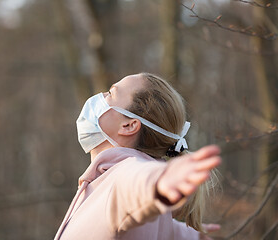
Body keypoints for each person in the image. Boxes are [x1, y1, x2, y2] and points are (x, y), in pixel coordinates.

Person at [54, 73, 221, 240]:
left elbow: (136, 182)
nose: (101, 96)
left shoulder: (122, 176)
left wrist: (160, 180)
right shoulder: (104, 181)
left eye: (111, 93)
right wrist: (184, 234)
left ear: (128, 125)